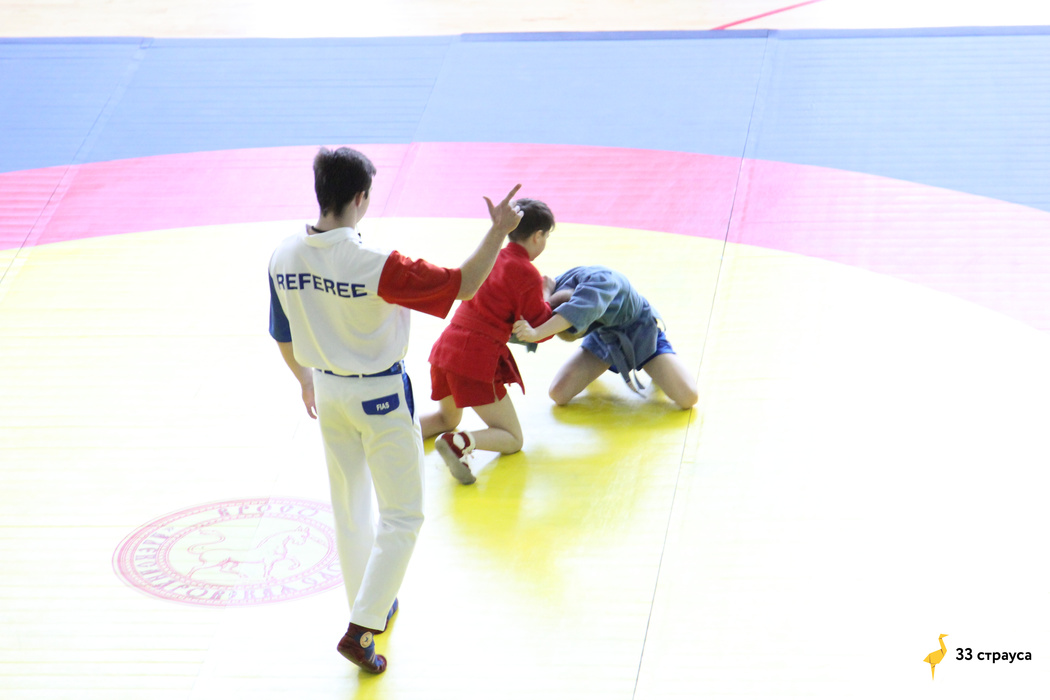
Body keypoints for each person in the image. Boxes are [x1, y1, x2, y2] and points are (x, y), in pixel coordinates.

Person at [268, 146, 522, 673]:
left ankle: (369, 605)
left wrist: (305, 381)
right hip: (380, 397)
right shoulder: (375, 264)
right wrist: (499, 230)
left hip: (329, 394)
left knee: (349, 507)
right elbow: (464, 284)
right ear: (361, 197)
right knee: (403, 513)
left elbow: (282, 333)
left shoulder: (284, 255)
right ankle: (362, 628)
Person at [420, 199, 556, 484]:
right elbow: (542, 326)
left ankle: (387, 436)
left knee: (446, 419)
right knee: (513, 438)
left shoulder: (491, 255)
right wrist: (547, 293)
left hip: (445, 349)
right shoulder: (527, 273)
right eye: (546, 237)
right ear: (538, 236)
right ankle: (460, 442)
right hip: (473, 358)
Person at [512, 265, 698, 410]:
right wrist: (544, 294)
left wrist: (537, 334)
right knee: (558, 394)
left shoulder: (601, 284)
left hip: (640, 330)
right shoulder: (555, 286)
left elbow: (571, 315)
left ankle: (660, 357)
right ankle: (603, 359)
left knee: (688, 397)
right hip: (604, 335)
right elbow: (533, 320)